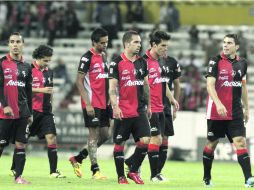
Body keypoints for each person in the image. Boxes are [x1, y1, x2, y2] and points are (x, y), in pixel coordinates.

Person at [125, 31, 180, 181]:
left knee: (160, 140)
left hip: (161, 106)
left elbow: (163, 83)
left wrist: (172, 99)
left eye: (167, 46)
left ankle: (131, 163)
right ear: (154, 45)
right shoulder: (142, 61)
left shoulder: (159, 62)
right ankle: (154, 175)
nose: (165, 49)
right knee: (155, 140)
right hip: (149, 108)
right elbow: (138, 86)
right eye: (163, 45)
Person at [203, 34, 254, 187]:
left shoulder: (243, 63)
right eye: (224, 43)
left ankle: (248, 179)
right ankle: (207, 178)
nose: (225, 45)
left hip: (235, 111)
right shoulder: (215, 60)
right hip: (215, 111)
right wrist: (218, 104)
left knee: (240, 142)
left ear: (237, 47)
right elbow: (209, 85)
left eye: (229, 43)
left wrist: (246, 108)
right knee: (212, 144)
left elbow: (243, 86)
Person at [9, 45, 66, 178]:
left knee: (52, 138)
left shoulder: (49, 72)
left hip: (46, 112)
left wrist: (50, 103)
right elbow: (23, 88)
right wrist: (41, 90)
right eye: (45, 60)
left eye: (49, 61)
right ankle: (14, 168)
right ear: (38, 58)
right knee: (21, 141)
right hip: (30, 111)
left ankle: (53, 171)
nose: (47, 63)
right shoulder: (28, 69)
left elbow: (50, 91)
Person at [109, 30, 151, 185]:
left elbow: (146, 85)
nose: (139, 45)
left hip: (139, 109)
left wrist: (149, 105)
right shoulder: (116, 62)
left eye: (140, 42)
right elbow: (112, 88)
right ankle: (121, 176)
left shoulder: (142, 62)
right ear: (127, 44)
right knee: (120, 143)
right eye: (136, 42)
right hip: (123, 109)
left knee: (145, 140)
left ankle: (133, 170)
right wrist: (115, 106)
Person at [69, 28, 111, 179]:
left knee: (106, 135)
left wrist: (109, 98)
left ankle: (78, 158)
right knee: (93, 136)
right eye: (102, 43)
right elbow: (79, 81)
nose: (105, 45)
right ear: (94, 42)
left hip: (104, 103)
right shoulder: (86, 58)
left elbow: (106, 79)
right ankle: (95, 171)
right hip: (92, 102)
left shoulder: (104, 56)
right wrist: (87, 103)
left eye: (106, 42)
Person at [0, 32, 32, 184]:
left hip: (23, 112)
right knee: (1, 143)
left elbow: (29, 91)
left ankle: (18, 177)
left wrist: (30, 112)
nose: (15, 44)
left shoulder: (27, 66)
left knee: (21, 143)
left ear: (22, 44)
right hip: (5, 113)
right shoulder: (2, 63)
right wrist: (5, 105)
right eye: (12, 41)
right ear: (8, 44)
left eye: (18, 42)